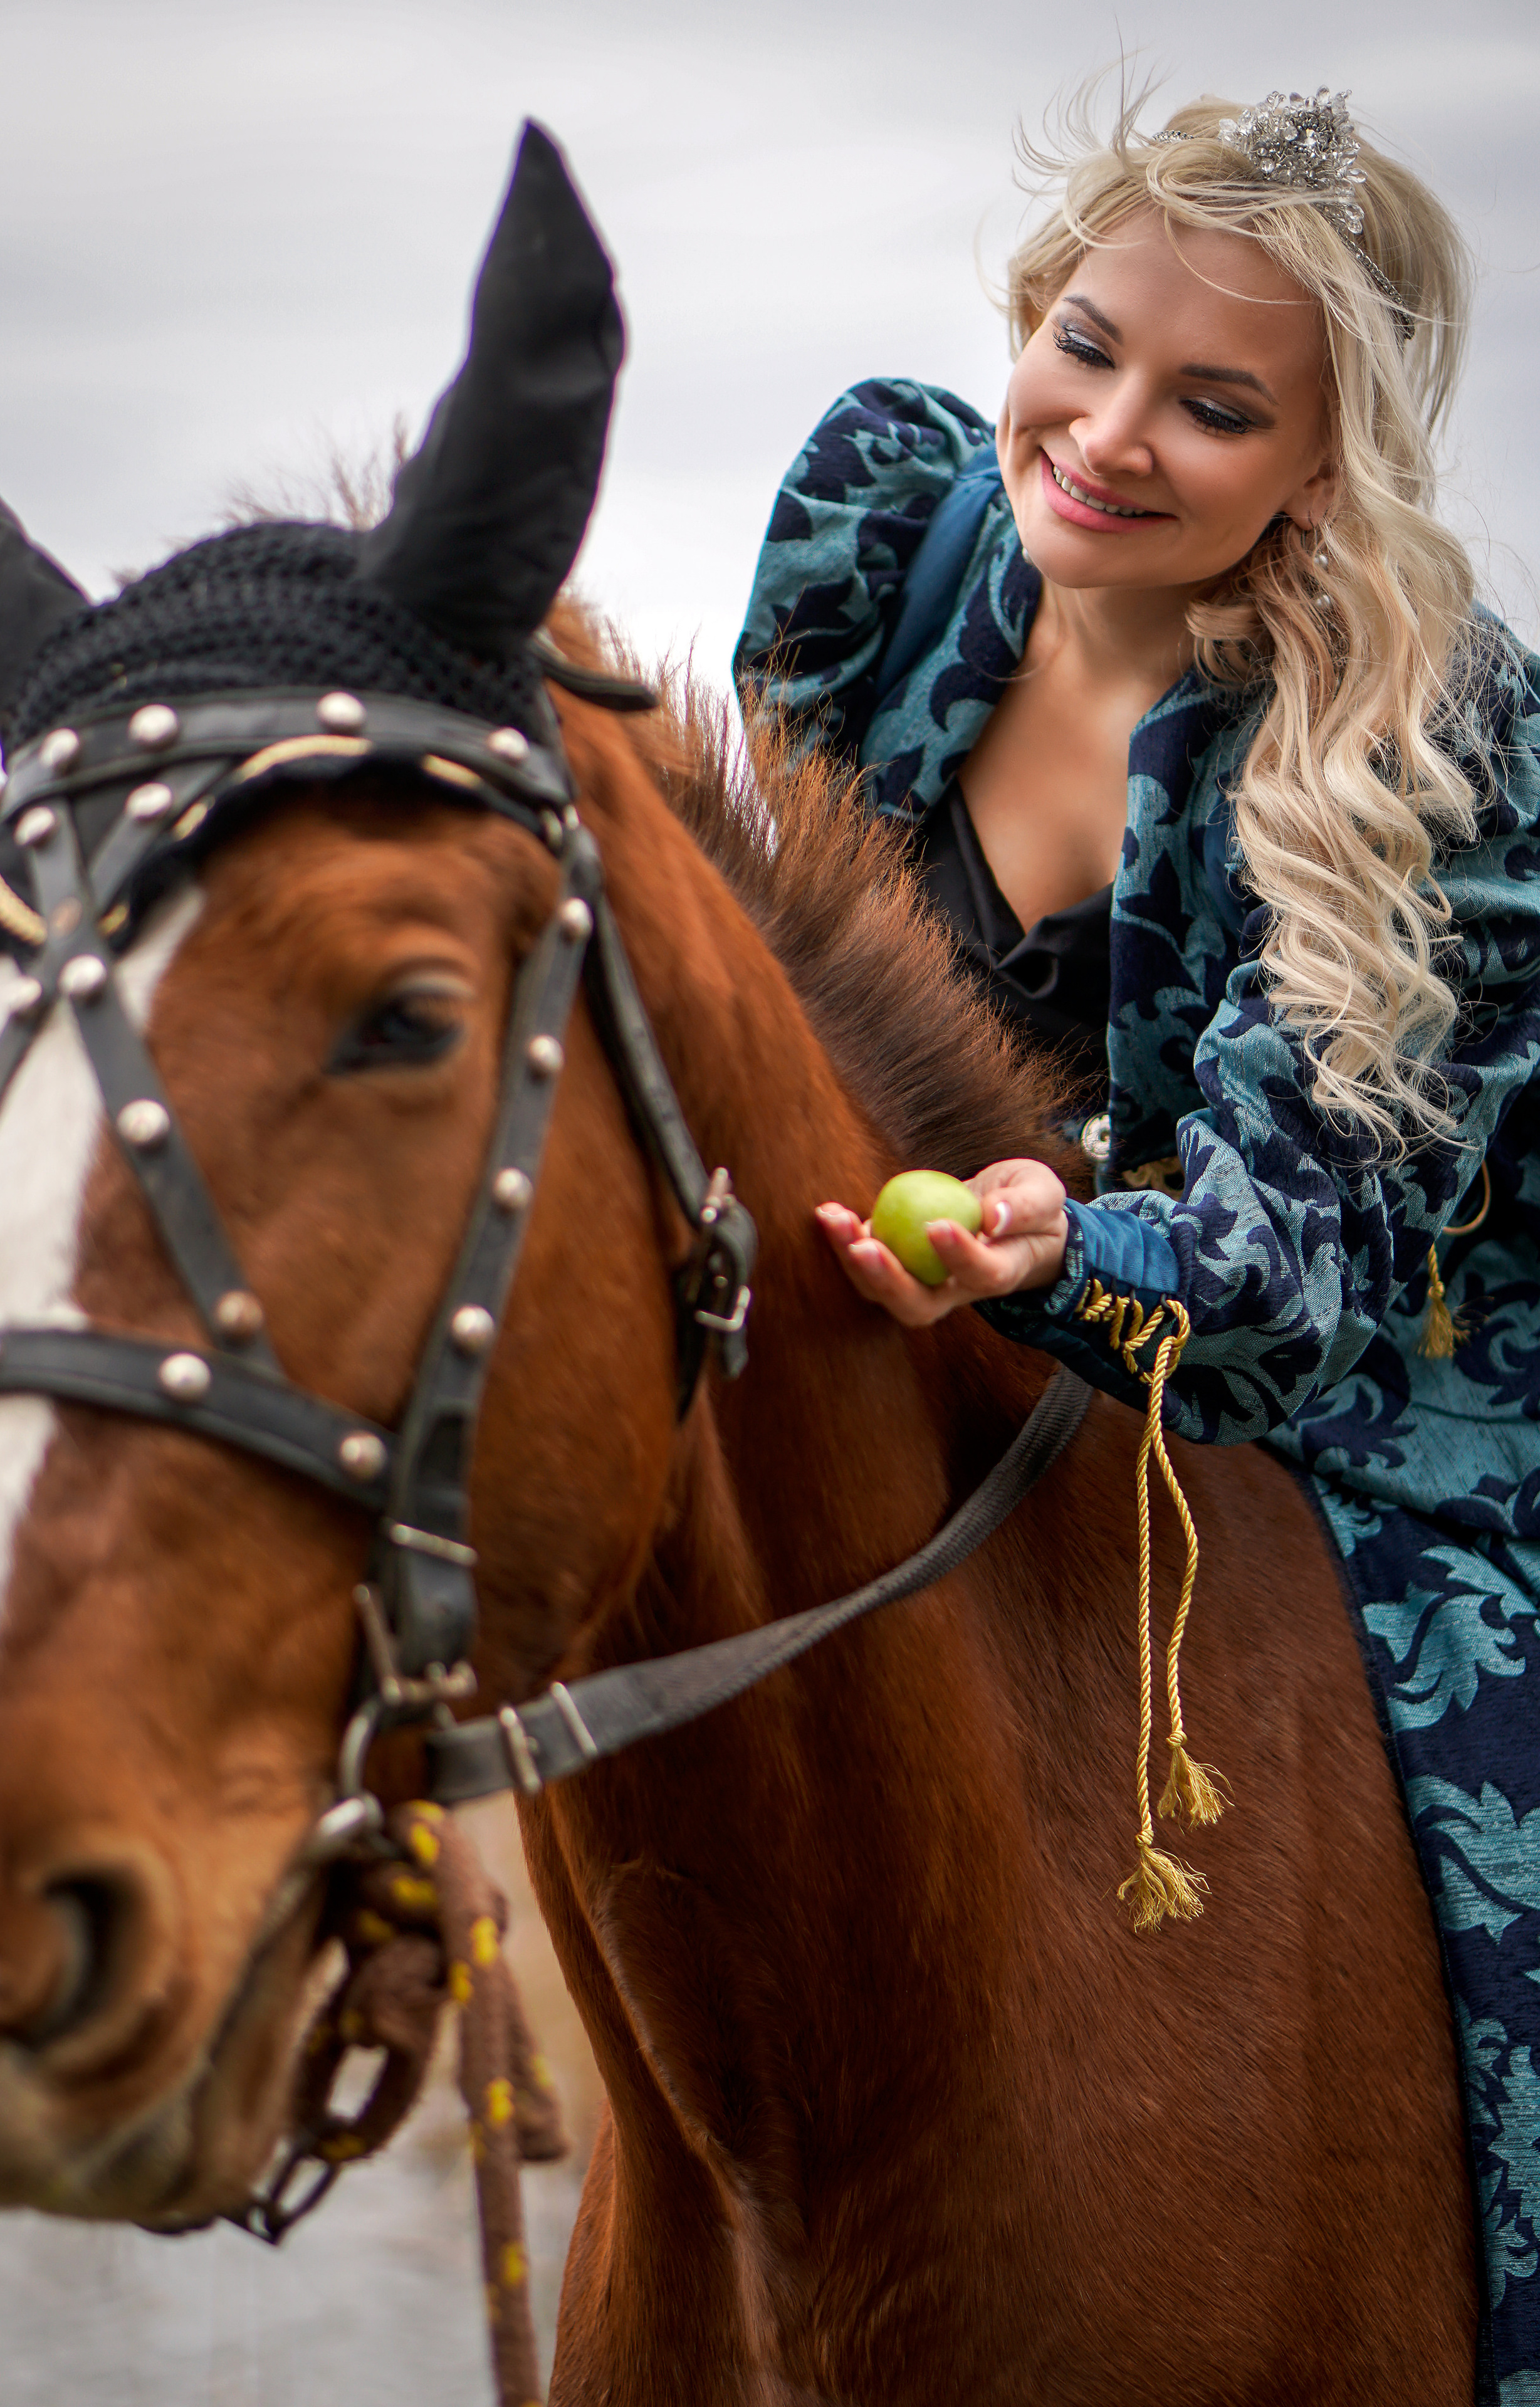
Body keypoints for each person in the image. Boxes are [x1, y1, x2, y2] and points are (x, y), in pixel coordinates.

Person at [735, 87, 1540, 2401]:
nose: (1106, 436)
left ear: (1325, 463)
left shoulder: (1425, 739)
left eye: (1217, 406)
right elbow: (781, 954)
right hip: (937, 1297)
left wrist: (1056, 1240)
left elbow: (1298, 1275)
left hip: (1399, 1383)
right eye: (1086, 347)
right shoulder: (883, 528)